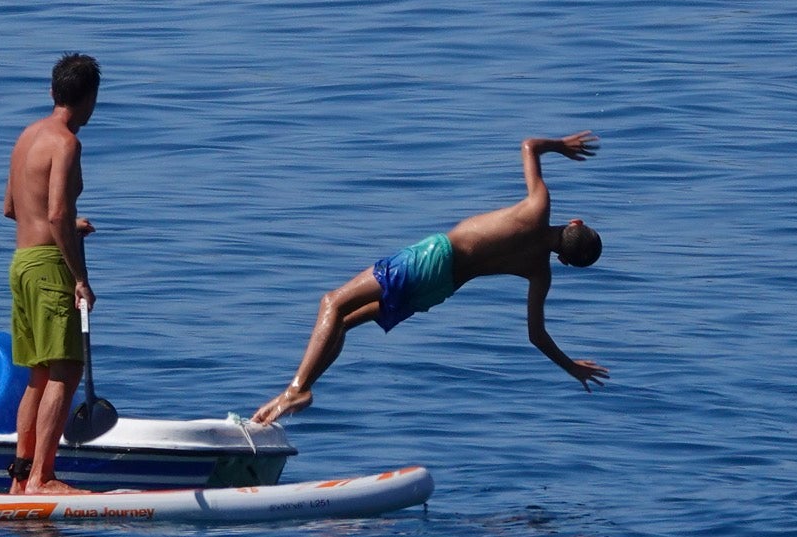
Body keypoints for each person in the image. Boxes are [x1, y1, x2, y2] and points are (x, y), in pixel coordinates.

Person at [253, 132, 608, 425]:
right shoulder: (539, 272)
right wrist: (571, 366)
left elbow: (529, 145)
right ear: (563, 259)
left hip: (433, 259)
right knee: (341, 323)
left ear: (574, 222)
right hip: (439, 290)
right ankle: (281, 406)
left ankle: (297, 388)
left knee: (332, 302)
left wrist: (560, 145)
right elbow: (536, 335)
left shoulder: (538, 206)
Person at [2, 53, 100, 495]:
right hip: (47, 267)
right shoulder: (66, 143)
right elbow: (58, 212)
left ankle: (21, 480)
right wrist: (80, 277)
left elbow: (11, 208)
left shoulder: (27, 136)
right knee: (65, 370)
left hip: (21, 262)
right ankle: (43, 477)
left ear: (52, 92)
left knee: (38, 375)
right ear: (90, 100)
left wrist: (62, 225)